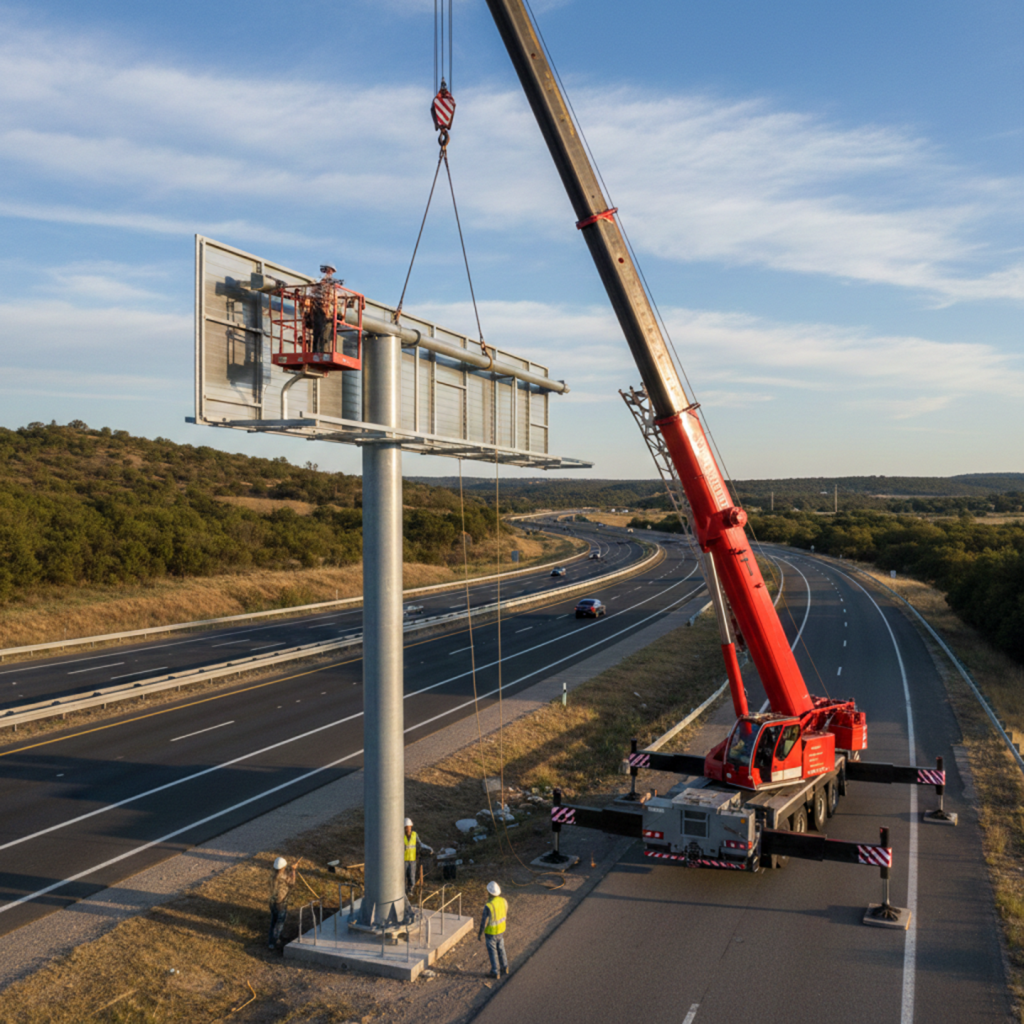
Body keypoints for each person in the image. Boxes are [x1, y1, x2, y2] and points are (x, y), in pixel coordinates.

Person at [477, 880, 509, 979]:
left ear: (489, 893)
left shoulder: (488, 906)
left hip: (491, 933)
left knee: (493, 952)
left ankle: (495, 972)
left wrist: (480, 934)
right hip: (501, 930)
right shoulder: (503, 901)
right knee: (501, 948)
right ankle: (505, 967)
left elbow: (484, 922)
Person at [268, 855, 298, 950]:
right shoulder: (284, 877)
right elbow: (292, 883)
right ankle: (274, 942)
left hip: (272, 902)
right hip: (280, 903)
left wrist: (290, 869)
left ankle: (271, 940)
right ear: (283, 867)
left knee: (273, 921)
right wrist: (293, 870)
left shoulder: (272, 875)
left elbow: (282, 874)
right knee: (279, 923)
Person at [306, 264, 337, 354]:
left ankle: (323, 352)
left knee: (325, 335)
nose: (327, 272)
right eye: (326, 270)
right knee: (317, 333)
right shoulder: (319, 281)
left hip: (327, 313)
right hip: (319, 309)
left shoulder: (332, 284)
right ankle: (316, 351)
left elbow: (334, 297)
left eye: (329, 270)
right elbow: (312, 291)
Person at [404, 817, 432, 892]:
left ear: (411, 827)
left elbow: (420, 844)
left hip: (412, 860)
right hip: (404, 860)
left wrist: (428, 849)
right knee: (403, 877)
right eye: (406, 828)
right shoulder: (401, 836)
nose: (408, 829)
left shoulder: (414, 835)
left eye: (409, 827)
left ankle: (410, 890)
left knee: (411, 876)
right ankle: (403, 891)